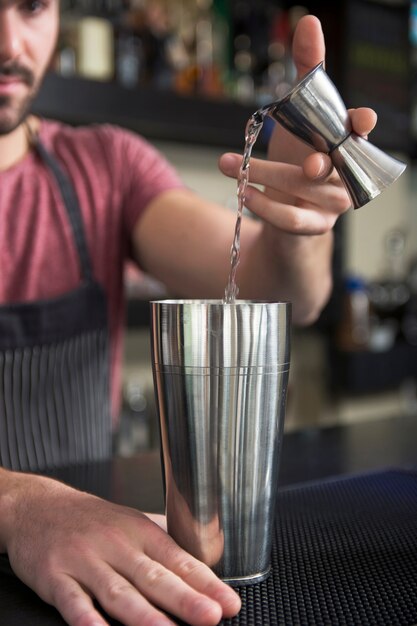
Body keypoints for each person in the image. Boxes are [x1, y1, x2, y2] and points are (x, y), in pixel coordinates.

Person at [0, 1, 377, 624]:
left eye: (32, 6)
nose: (8, 41)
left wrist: (297, 222)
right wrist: (20, 505)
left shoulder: (105, 169)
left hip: (99, 566)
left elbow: (276, 287)